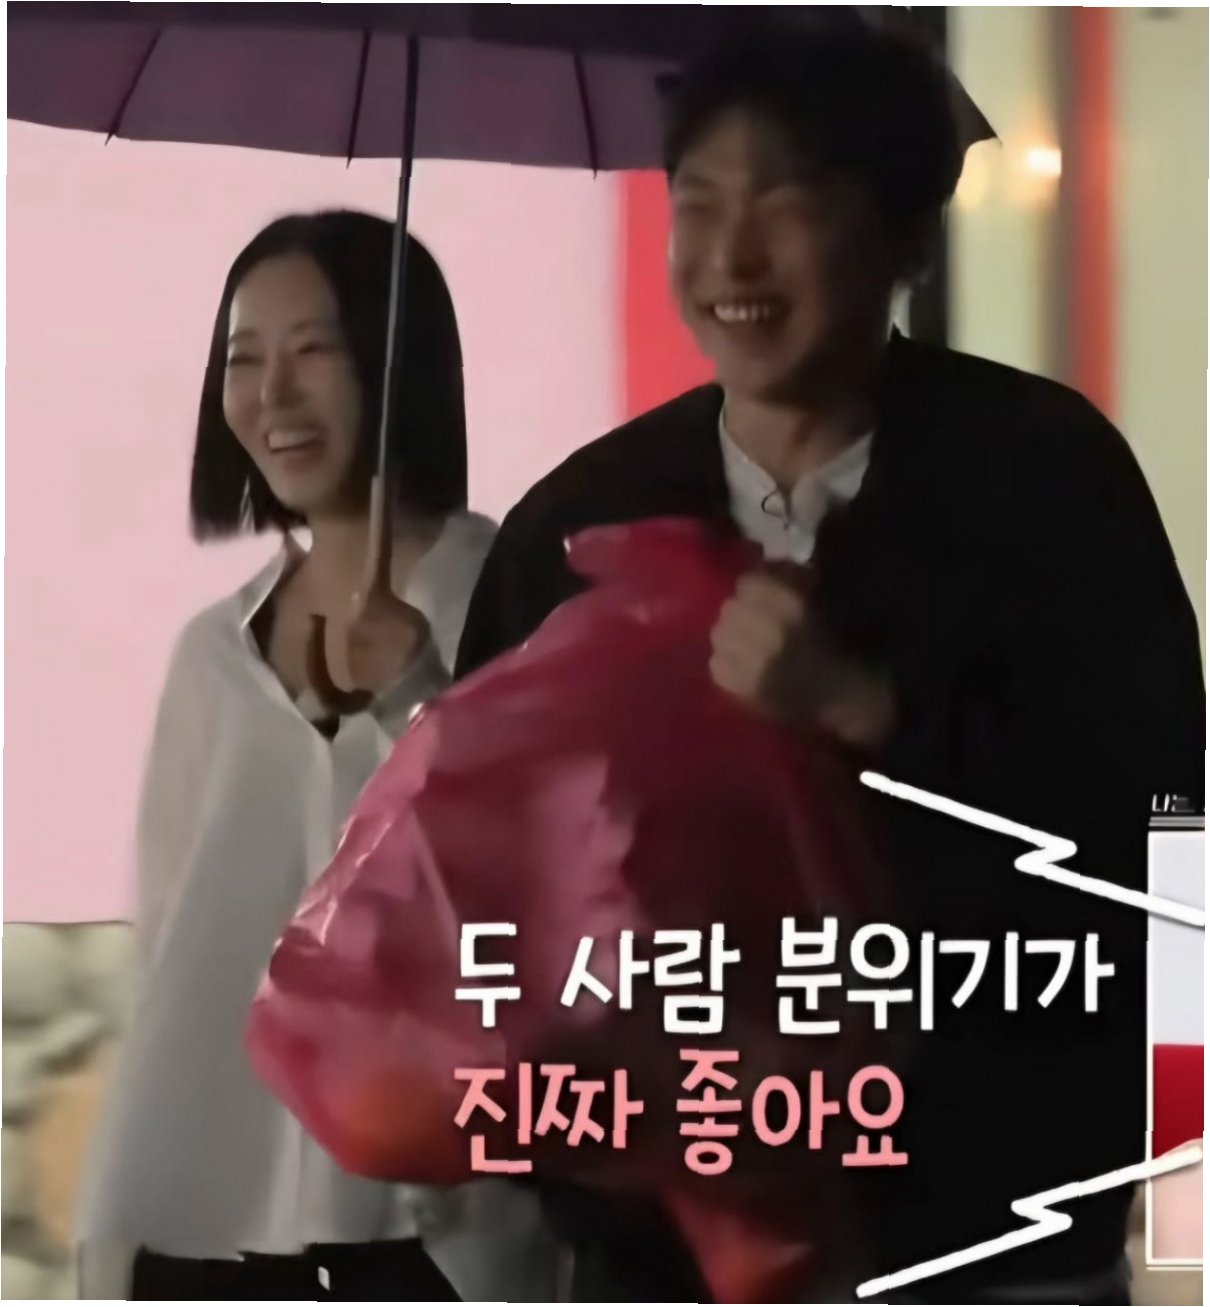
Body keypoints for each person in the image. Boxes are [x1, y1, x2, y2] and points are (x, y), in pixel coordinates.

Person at [455, 22, 1206, 1306]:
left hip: (984, 1235)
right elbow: (489, 898)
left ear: (904, 236)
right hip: (662, 1248)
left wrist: (866, 710)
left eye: (785, 202)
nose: (730, 256)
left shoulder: (1047, 480)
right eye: (698, 203)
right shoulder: (575, 529)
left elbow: (1161, 831)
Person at [76, 210, 558, 1300]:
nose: (273, 395)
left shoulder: (512, 603)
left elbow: (557, 904)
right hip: (205, 1220)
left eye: (314, 350)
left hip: (430, 1225)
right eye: (243, 359)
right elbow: (170, 948)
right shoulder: (212, 656)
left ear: (397, 361)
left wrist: (422, 697)